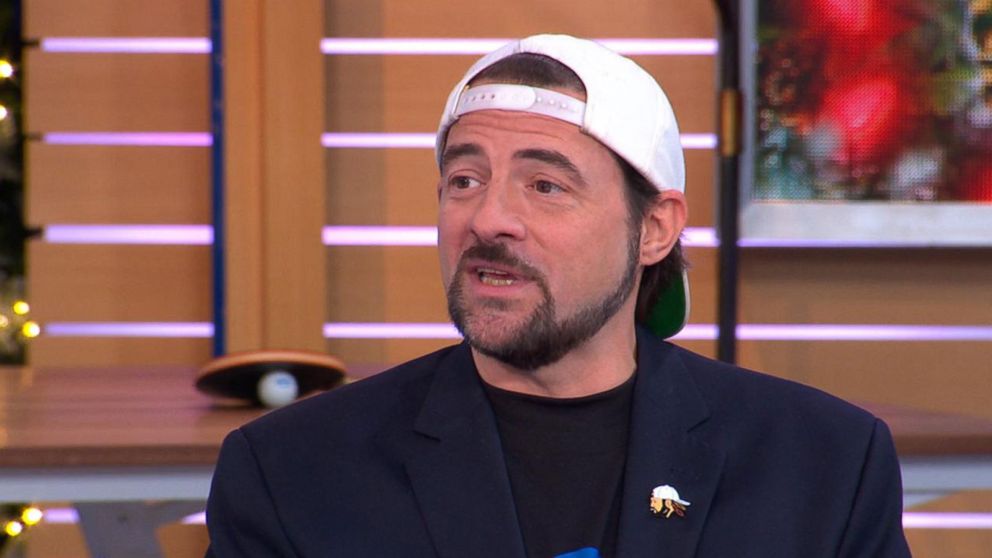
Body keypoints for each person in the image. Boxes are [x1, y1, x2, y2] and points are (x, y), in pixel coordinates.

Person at [205, 34, 911, 557]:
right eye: (465, 181)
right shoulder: (293, 474)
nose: (489, 219)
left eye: (545, 185)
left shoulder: (824, 465)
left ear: (654, 229)